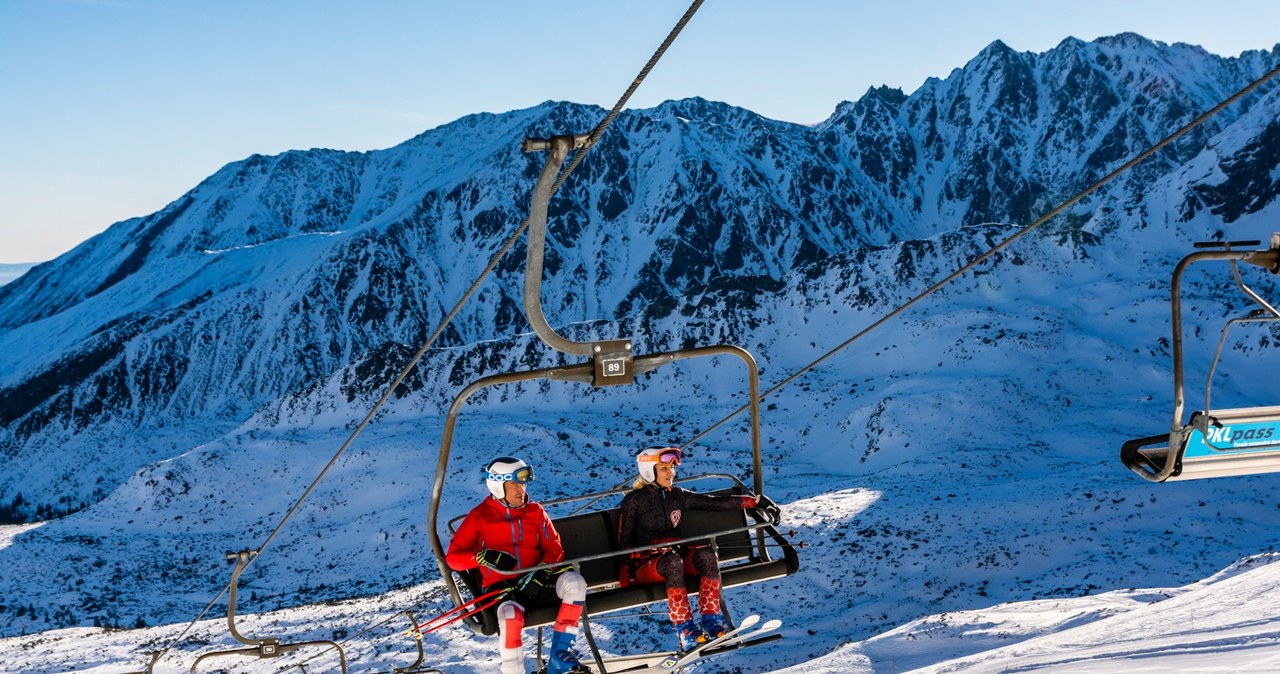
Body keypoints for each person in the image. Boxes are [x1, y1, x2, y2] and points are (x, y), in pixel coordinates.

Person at [446, 456, 589, 674]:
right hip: (502, 587)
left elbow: (554, 546)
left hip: (537, 579)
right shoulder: (479, 517)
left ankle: (559, 656)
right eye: (514, 484)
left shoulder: (535, 511)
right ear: (497, 485)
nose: (520, 489)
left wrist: (542, 569)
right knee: (511, 618)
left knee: (575, 582)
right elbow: (453, 558)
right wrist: (482, 557)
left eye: (522, 483)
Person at [616, 446, 762, 651]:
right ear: (650, 470)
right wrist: (627, 572)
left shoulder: (677, 495)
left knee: (707, 556)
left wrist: (750, 502)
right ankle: (684, 628)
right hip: (647, 566)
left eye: (672, 468)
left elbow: (712, 503)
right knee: (673, 563)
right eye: (665, 468)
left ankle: (711, 620)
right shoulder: (634, 501)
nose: (671, 473)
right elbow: (624, 540)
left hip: (675, 557)